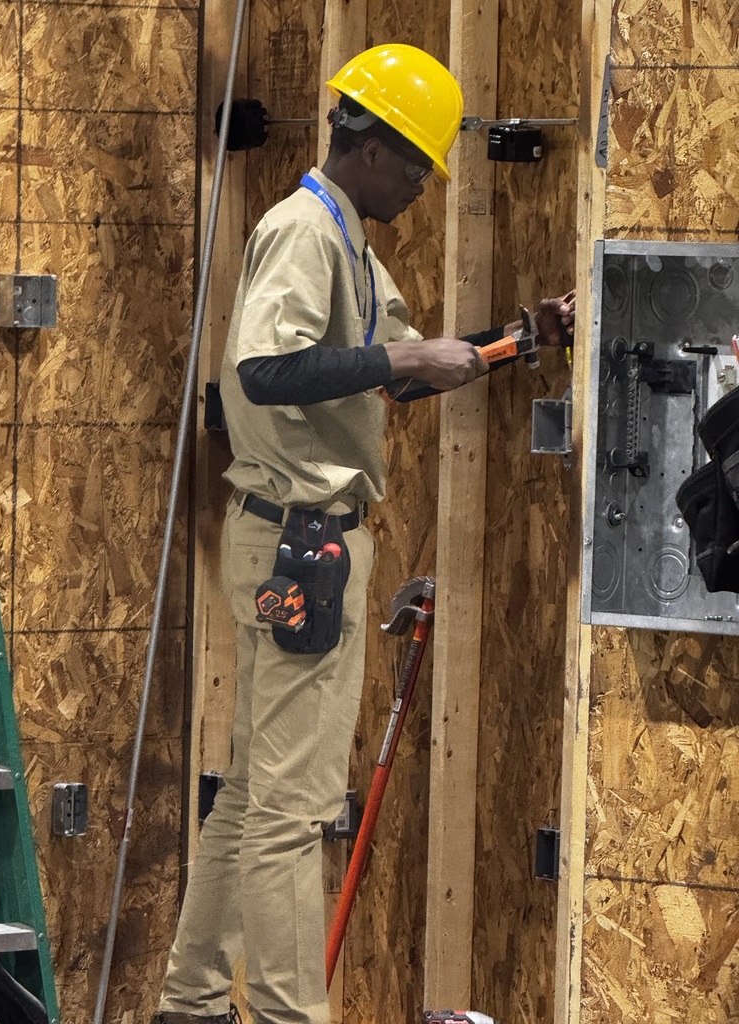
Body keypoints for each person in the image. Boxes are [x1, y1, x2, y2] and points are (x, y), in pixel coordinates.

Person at [154, 42, 574, 1024]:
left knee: (258, 795)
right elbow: (267, 368)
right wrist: (397, 350)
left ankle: (192, 1003)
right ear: (372, 145)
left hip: (303, 541)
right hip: (303, 542)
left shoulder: (349, 241)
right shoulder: (305, 230)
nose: (426, 187)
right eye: (419, 165)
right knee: (295, 814)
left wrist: (517, 342)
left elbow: (397, 373)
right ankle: (291, 1017)